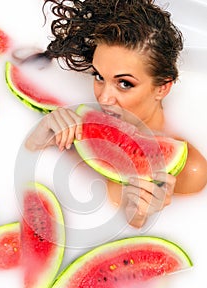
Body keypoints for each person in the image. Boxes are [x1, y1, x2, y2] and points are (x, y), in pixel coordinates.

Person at [25, 0, 207, 228]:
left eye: (124, 83)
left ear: (163, 88)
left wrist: (138, 218)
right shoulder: (81, 129)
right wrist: (38, 136)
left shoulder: (190, 169)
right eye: (99, 77)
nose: (104, 98)